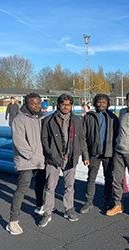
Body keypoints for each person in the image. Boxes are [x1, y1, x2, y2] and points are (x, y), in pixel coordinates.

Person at [39, 93, 89, 227]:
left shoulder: (77, 120)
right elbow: (44, 140)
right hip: (53, 158)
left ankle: (69, 209)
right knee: (50, 186)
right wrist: (50, 154)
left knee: (70, 186)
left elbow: (81, 139)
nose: (66, 107)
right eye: (63, 104)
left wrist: (84, 156)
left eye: (68, 104)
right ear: (58, 105)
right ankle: (48, 212)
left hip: (70, 158)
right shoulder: (48, 120)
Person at [6, 93, 44, 235]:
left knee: (40, 185)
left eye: (38, 103)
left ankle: (40, 206)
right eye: (33, 103)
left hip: (40, 159)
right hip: (26, 160)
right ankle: (13, 221)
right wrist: (31, 155)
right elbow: (19, 142)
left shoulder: (41, 118)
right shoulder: (19, 119)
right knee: (22, 188)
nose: (36, 106)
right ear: (27, 103)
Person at [81, 94, 119, 214]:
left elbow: (118, 136)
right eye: (99, 102)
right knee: (91, 178)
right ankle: (88, 202)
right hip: (94, 154)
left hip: (108, 153)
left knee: (109, 179)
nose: (101, 104)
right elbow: (83, 138)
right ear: (95, 103)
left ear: (108, 103)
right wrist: (85, 156)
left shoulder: (113, 117)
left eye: (104, 102)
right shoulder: (89, 117)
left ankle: (108, 200)